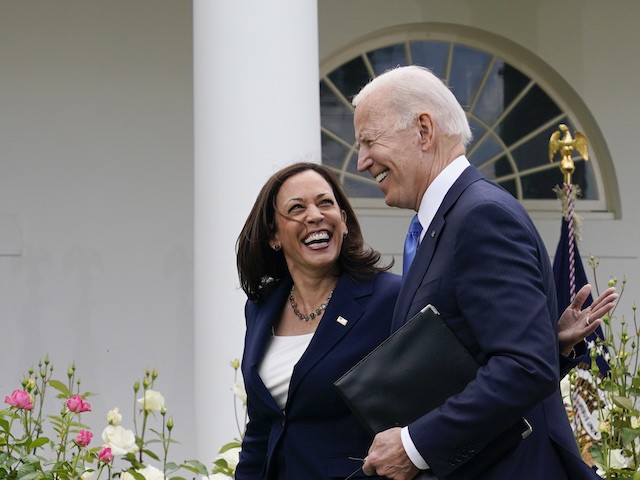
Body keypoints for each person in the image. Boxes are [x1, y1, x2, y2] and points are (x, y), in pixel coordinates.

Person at [352, 65, 612, 479]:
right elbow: (495, 356)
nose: (362, 161)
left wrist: (414, 445)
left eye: (368, 140)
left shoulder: (481, 217)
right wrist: (548, 345)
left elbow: (523, 368)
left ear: (423, 130)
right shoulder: (443, 223)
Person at [234, 162, 401, 479]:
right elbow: (260, 428)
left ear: (344, 221)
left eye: (325, 203)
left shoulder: (390, 298)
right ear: (274, 236)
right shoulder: (260, 309)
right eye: (296, 208)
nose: (314, 215)